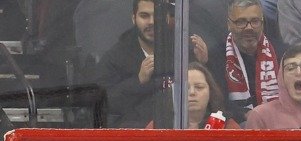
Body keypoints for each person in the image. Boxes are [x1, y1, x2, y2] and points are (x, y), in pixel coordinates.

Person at [95, 0, 209, 128]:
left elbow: (213, 101)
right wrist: (138, 81)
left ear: (166, 18)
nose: (151, 22)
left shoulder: (183, 49)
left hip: (181, 133)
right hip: (136, 138)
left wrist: (203, 64)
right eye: (144, 16)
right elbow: (104, 104)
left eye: (157, 15)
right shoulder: (115, 57)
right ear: (134, 18)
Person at [206, 0, 281, 125]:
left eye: (255, 21)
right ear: (229, 24)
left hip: (276, 124)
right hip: (235, 128)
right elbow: (217, 102)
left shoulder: (281, 53)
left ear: (262, 23)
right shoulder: (216, 56)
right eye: (241, 22)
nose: (249, 27)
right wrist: (245, 115)